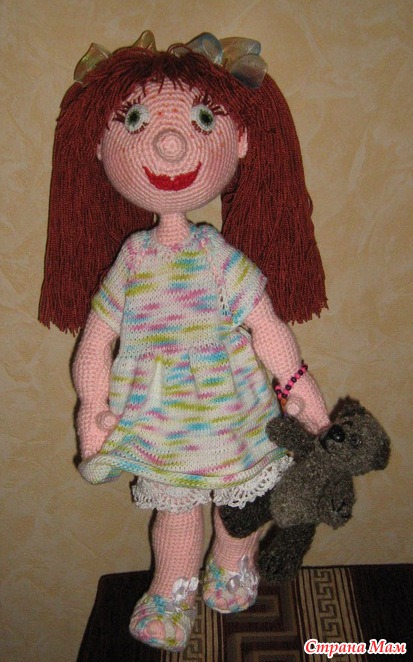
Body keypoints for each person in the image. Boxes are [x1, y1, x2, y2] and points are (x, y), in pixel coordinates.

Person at [40, 32, 330, 652]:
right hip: (161, 420)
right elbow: (95, 343)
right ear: (102, 147)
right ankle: (172, 592)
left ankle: (232, 559)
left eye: (201, 121)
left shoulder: (221, 260)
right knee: (175, 509)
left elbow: (267, 328)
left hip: (233, 411)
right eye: (136, 122)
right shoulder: (131, 261)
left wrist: (300, 391)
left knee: (240, 501)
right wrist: (93, 409)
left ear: (239, 140)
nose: (169, 145)